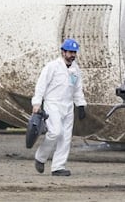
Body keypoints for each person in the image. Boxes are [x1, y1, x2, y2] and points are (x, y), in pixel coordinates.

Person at [32, 38, 87, 176]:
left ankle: (58, 167)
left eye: (74, 52)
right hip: (53, 104)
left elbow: (77, 89)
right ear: (63, 52)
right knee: (55, 132)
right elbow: (41, 85)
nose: (72, 55)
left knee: (66, 137)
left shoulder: (75, 69)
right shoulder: (52, 66)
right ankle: (40, 157)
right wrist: (37, 103)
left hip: (68, 106)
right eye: (70, 52)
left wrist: (81, 105)